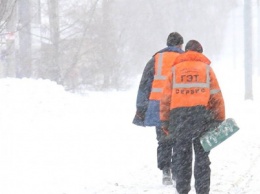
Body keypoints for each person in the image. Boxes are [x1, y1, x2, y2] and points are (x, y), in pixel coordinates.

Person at [160, 40, 225, 194]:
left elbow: (165, 98)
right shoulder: (206, 69)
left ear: (186, 51)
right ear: (200, 53)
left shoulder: (175, 70)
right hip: (201, 116)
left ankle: (182, 190)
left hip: (179, 116)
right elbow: (216, 96)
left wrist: (165, 121)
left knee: (182, 157)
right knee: (202, 157)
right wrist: (219, 119)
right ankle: (202, 191)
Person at [133, 32, 184, 185]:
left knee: (163, 140)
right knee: (178, 139)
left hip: (158, 105)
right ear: (180, 45)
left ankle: (166, 170)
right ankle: (177, 170)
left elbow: (144, 85)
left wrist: (141, 108)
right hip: (178, 104)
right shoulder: (184, 58)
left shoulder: (156, 59)